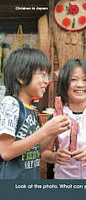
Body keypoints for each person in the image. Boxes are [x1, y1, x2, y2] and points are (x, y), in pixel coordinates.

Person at [0, 48, 70, 179]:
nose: (47, 81)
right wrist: (44, 131)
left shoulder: (32, 108)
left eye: (48, 75)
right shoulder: (10, 104)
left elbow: (37, 150)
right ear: (21, 77)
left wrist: (52, 132)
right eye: (42, 74)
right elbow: (5, 152)